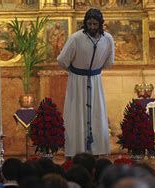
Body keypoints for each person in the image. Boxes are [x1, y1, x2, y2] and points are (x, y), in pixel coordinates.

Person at [57, 8, 114, 158]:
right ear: (85, 23)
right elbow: (62, 60)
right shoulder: (76, 38)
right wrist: (76, 70)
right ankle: (76, 150)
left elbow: (109, 62)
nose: (92, 27)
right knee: (76, 113)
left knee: (96, 114)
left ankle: (97, 150)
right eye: (90, 23)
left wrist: (94, 69)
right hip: (77, 81)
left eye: (95, 24)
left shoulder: (108, 39)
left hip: (95, 81)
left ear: (101, 24)